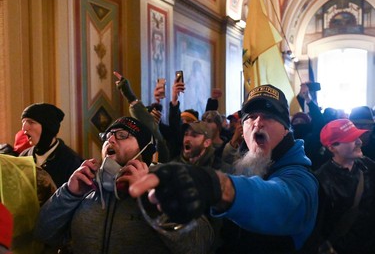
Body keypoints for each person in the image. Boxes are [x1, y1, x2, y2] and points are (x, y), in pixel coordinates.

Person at [130, 84, 319, 253]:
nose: (258, 122)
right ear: (243, 130)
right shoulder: (246, 166)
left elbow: (277, 199)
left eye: (269, 116)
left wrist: (217, 185)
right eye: (251, 117)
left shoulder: (301, 179)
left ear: (286, 128)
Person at [34, 116, 214, 254]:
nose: (110, 140)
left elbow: (200, 243)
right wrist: (69, 193)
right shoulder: (86, 186)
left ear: (144, 151)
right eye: (108, 136)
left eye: (122, 135)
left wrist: (153, 198)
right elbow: (44, 233)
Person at [315, 119, 375, 254]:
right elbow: (319, 227)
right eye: (351, 138)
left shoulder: (367, 165)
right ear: (332, 147)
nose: (359, 141)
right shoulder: (322, 180)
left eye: (358, 136)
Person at [19, 103, 83, 187]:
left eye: (31, 122)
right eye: (23, 122)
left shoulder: (72, 162)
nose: (24, 128)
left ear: (47, 128)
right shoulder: (23, 157)